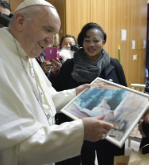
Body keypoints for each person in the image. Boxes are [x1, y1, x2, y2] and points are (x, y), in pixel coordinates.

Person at [0, 0, 113, 165]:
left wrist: (76, 93)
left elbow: (44, 102)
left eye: (54, 34)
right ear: (21, 21)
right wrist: (79, 131)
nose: (51, 42)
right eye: (48, 30)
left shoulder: (26, 55)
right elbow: (1, 150)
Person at [53, 22, 127, 165]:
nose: (91, 44)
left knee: (108, 160)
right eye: (87, 40)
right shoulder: (69, 65)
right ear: (81, 42)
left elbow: (124, 92)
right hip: (78, 127)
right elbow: (59, 92)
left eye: (96, 40)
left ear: (103, 41)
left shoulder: (113, 64)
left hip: (107, 128)